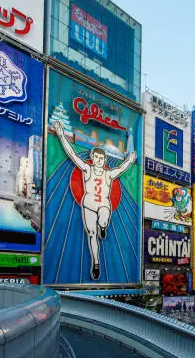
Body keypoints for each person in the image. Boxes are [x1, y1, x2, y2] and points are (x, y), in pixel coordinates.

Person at [53, 120, 137, 280]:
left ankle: (103, 226)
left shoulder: (108, 174)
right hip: (88, 205)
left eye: (101, 158)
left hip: (103, 204)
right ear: (92, 158)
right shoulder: (87, 168)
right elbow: (72, 154)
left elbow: (121, 168)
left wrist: (130, 160)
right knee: (92, 234)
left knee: (104, 219)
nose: (98, 160)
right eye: (96, 157)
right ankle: (96, 263)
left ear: (104, 160)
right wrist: (61, 135)